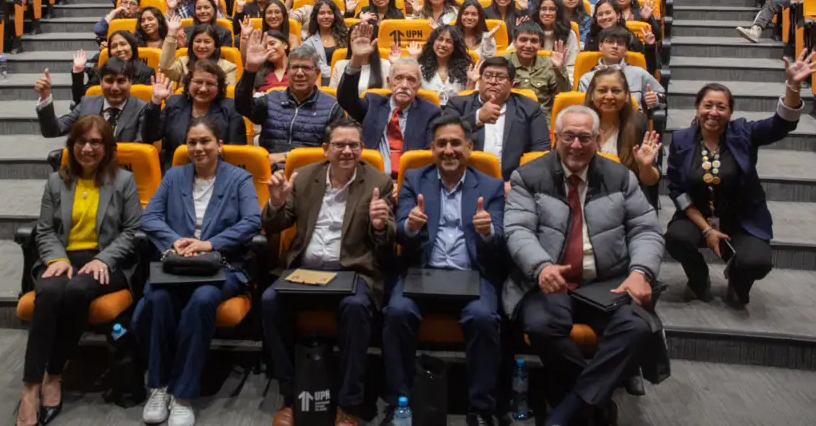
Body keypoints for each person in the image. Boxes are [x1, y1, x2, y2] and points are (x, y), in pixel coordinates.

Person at [504, 104, 663, 426]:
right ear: (555, 137)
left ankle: (568, 409)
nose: (576, 145)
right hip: (549, 280)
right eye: (569, 137)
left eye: (585, 137)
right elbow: (517, 230)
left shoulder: (621, 177)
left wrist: (639, 272)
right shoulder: (528, 176)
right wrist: (541, 267)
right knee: (540, 325)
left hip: (606, 280)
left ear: (598, 138)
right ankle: (596, 403)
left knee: (637, 326)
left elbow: (646, 229)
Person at [260, 119, 396, 426]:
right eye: (340, 145)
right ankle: (291, 396)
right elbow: (272, 225)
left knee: (356, 307)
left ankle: (348, 404)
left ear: (362, 149)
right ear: (326, 149)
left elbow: (385, 246)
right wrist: (277, 203)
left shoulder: (378, 182)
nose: (347, 151)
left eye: (354, 145)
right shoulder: (306, 177)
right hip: (305, 271)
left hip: (353, 271)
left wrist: (380, 225)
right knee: (270, 301)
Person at [14, 115, 141, 426]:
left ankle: (54, 373)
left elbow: (132, 231)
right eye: (81, 142)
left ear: (107, 147)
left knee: (78, 289)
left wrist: (105, 259)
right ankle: (31, 387)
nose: (87, 148)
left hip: (105, 263)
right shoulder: (56, 181)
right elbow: (44, 231)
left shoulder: (123, 181)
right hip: (64, 258)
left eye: (95, 142)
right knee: (48, 290)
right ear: (71, 146)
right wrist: (57, 260)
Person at [134, 117, 260, 426]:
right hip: (177, 264)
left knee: (203, 300)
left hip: (221, 265)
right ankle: (159, 386)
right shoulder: (174, 175)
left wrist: (207, 244)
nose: (198, 148)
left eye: (205, 141)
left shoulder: (239, 179)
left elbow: (252, 221)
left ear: (219, 144)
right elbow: (149, 218)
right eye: (192, 142)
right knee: (159, 298)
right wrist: (175, 241)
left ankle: (183, 393)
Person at [665, 53, 815, 307]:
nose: (713, 112)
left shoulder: (743, 132)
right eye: (707, 105)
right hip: (699, 218)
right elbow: (678, 191)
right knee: (675, 238)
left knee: (758, 262)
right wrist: (707, 230)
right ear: (697, 108)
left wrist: (793, 86)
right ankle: (699, 279)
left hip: (742, 220)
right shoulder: (681, 139)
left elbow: (781, 125)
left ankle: (737, 280)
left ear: (730, 112)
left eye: (721, 107)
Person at [384, 115, 505, 426]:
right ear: (431, 148)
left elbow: (501, 241)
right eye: (441, 144)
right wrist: (409, 228)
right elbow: (400, 233)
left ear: (469, 146)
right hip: (423, 272)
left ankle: (480, 409)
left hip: (472, 274)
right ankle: (401, 403)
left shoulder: (490, 186)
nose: (448, 150)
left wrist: (488, 232)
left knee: (482, 318)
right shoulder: (414, 179)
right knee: (397, 312)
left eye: (455, 143)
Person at [337, 23, 441, 175]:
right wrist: (356, 59)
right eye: (398, 78)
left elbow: (429, 158)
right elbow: (346, 99)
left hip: (409, 182)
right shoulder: (372, 103)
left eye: (411, 80)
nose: (404, 85)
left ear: (418, 86)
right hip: (370, 179)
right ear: (389, 82)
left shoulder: (431, 113)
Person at [235, 34, 344, 171]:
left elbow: (333, 150)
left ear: (317, 72)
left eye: (306, 68)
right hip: (270, 173)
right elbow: (242, 106)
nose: (299, 73)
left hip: (311, 174)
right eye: (294, 67)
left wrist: (286, 156)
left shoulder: (332, 107)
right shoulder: (272, 98)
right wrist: (250, 69)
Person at [446, 56, 551, 180]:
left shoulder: (529, 108)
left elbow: (540, 150)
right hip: (464, 179)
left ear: (512, 83)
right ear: (480, 80)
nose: (493, 81)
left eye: (500, 77)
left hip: (512, 182)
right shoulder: (458, 104)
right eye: (488, 75)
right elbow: (445, 135)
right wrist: (477, 117)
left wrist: (518, 183)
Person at [36, 57, 159, 143]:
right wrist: (45, 98)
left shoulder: (142, 109)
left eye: (121, 81)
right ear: (100, 82)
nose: (115, 88)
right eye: (109, 81)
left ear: (130, 82)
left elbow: (139, 147)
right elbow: (52, 130)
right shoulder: (86, 103)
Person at [149, 61, 247, 167]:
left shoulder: (231, 109)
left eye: (210, 84)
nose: (203, 88)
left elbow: (236, 152)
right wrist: (156, 101)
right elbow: (150, 136)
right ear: (188, 83)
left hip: (218, 172)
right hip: (175, 173)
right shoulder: (174, 103)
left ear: (219, 87)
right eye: (198, 82)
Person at [582, 67, 661, 185]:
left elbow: (650, 181)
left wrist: (644, 167)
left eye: (616, 91)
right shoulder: (576, 124)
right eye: (602, 90)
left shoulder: (637, 123)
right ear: (592, 95)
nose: (609, 96)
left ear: (627, 96)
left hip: (624, 194)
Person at [578, 27, 663, 112]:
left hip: (633, 122)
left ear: (625, 50)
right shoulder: (586, 79)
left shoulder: (639, 74)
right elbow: (583, 111)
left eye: (620, 43)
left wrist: (655, 99)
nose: (615, 46)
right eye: (610, 42)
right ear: (600, 46)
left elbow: (663, 96)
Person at [503, 22, 571, 116]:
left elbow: (565, 96)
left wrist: (560, 69)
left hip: (542, 119)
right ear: (514, 42)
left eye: (534, 41)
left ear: (540, 44)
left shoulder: (549, 64)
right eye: (523, 40)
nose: (528, 45)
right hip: (510, 117)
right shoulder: (503, 63)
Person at [159, 20, 238, 86]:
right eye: (198, 41)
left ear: (215, 46)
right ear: (192, 44)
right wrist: (171, 34)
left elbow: (228, 97)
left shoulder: (228, 68)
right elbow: (165, 67)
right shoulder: (183, 62)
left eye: (207, 42)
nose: (202, 46)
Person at [416, 25, 476, 106]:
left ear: (455, 46)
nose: (443, 44)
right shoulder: (420, 67)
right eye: (440, 39)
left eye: (448, 41)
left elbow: (468, 102)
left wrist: (471, 84)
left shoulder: (466, 69)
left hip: (456, 114)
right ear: (433, 42)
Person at [301, 0, 348, 83]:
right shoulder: (308, 43)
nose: (326, 16)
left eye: (330, 13)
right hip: (323, 81)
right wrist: (339, 72)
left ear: (335, 16)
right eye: (322, 13)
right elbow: (316, 67)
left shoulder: (347, 36)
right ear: (315, 17)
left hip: (348, 79)